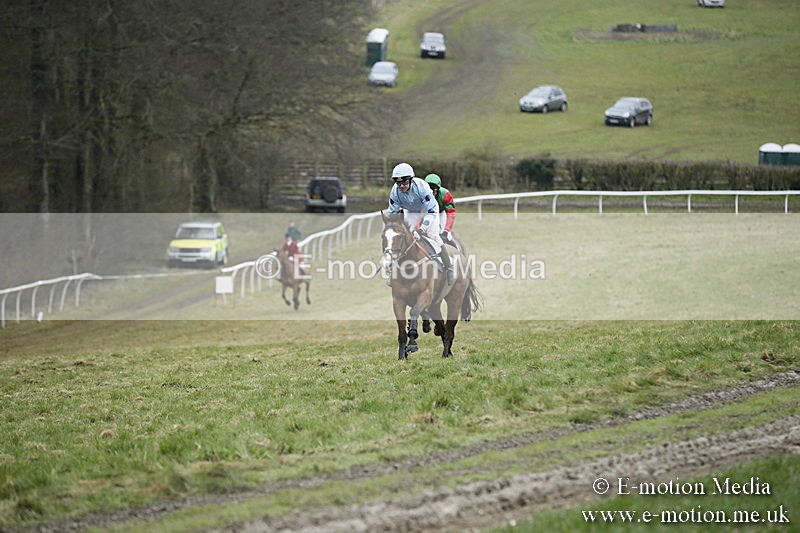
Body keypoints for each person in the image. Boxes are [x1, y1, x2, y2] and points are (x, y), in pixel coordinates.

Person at [387, 162, 455, 284]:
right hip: (412, 211)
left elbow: (432, 211)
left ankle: (449, 268)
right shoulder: (394, 192)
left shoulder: (422, 188)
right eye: (398, 183)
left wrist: (422, 229)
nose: (402, 186)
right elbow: (393, 214)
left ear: (411, 180)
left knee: (433, 236)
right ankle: (394, 269)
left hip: (429, 210)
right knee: (401, 235)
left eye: (405, 182)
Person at [423, 173, 456, 246]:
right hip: (426, 213)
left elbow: (451, 213)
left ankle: (456, 250)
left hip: (440, 214)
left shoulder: (445, 194)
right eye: (429, 189)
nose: (431, 192)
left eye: (434, 190)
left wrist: (446, 230)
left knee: (443, 235)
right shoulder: (420, 194)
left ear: (438, 189)